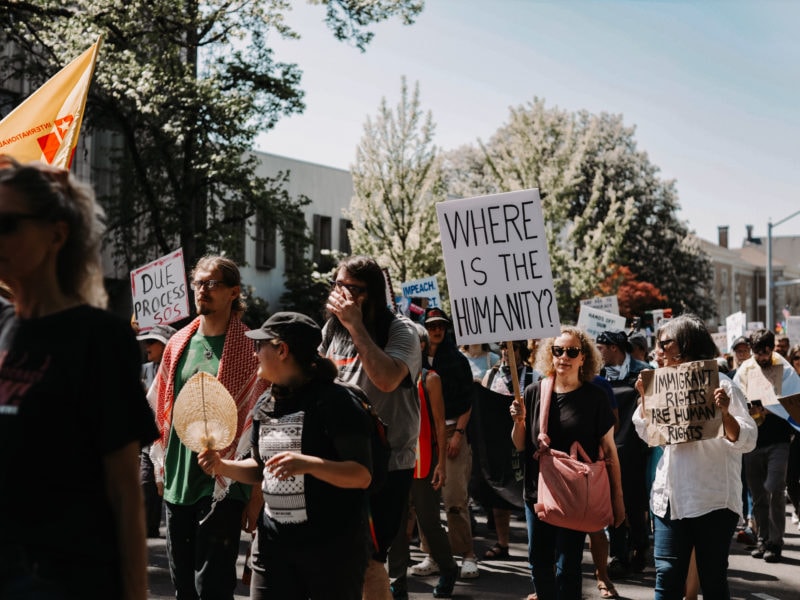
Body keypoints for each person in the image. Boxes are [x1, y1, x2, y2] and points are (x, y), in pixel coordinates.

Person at [0, 156, 158, 599]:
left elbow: (126, 491)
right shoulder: (3, 326)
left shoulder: (99, 337)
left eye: (8, 223)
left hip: (64, 580)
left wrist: (135, 593)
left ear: (57, 234)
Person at [197, 312, 372, 599]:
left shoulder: (337, 401)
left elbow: (361, 475)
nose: (254, 354)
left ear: (282, 349)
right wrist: (222, 465)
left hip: (332, 551)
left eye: (259, 346)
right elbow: (259, 468)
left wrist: (309, 464)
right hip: (273, 546)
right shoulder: (266, 402)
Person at [149, 255, 267, 599]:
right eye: (198, 283)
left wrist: (256, 496)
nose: (202, 290)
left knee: (213, 588)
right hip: (178, 482)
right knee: (183, 587)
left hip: (225, 486)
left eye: (211, 283)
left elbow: (259, 426)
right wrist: (160, 469)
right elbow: (159, 408)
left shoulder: (252, 347)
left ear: (234, 292)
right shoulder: (177, 343)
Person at [633, 314, 757, 599]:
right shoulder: (659, 384)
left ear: (686, 345)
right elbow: (646, 432)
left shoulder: (722, 386)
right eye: (657, 346)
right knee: (666, 577)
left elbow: (748, 440)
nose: (658, 352)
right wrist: (644, 398)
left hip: (711, 500)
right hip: (670, 499)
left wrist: (724, 414)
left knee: (712, 580)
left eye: (665, 344)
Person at [321, 255, 421, 600]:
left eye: (351, 289)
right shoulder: (331, 332)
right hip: (340, 460)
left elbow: (387, 378)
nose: (341, 295)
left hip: (386, 464)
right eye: (337, 286)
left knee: (370, 560)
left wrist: (355, 326)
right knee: (337, 558)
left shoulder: (402, 331)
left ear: (373, 294)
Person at [511, 326, 625, 600]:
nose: (564, 356)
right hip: (537, 491)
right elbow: (519, 444)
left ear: (584, 357)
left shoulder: (595, 398)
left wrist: (618, 498)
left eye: (572, 351)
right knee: (538, 561)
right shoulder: (533, 392)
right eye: (558, 350)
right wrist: (518, 422)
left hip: (575, 494)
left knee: (568, 566)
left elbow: (610, 451)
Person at [388, 322, 457, 600]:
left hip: (423, 463)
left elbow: (440, 424)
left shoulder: (430, 379)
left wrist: (441, 464)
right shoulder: (390, 375)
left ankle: (449, 568)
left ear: (422, 347)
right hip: (394, 461)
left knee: (428, 523)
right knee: (395, 524)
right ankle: (397, 580)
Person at [411, 307, 480, 580]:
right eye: (430, 326)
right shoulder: (412, 361)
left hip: (453, 434)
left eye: (440, 325)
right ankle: (433, 555)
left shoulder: (458, 361)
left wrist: (458, 434)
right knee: (424, 500)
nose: (436, 330)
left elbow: (467, 402)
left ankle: (467, 555)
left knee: (454, 499)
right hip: (423, 437)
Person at [733, 328, 800, 563]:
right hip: (753, 443)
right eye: (757, 352)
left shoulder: (785, 370)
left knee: (774, 490)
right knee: (758, 494)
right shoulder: (746, 369)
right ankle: (762, 539)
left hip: (779, 441)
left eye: (765, 352)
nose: (761, 357)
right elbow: (735, 398)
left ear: (772, 349)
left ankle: (775, 542)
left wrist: (773, 407)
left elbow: (795, 401)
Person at [596, 329, 651, 581]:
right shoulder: (597, 374)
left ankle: (640, 547)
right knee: (611, 502)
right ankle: (618, 554)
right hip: (608, 447)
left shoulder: (644, 371)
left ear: (614, 348)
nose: (598, 352)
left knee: (635, 503)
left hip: (636, 447)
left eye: (601, 348)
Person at [479, 340, 537, 561]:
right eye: (503, 347)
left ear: (520, 350)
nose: (506, 351)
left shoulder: (534, 375)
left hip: (526, 440)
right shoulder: (490, 376)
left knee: (530, 490)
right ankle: (503, 543)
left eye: (511, 347)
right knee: (499, 491)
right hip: (498, 443)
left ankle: (536, 544)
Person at [136, 323, 177, 538]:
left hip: (174, 441)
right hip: (150, 443)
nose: (146, 346)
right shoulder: (143, 370)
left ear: (166, 344)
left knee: (172, 491)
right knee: (146, 485)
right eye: (144, 342)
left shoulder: (179, 368)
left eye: (151, 341)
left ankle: (177, 533)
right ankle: (148, 530)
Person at [788, 344, 800, 530]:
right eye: (797, 357)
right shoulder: (787, 380)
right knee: (790, 480)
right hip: (791, 437)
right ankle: (798, 509)